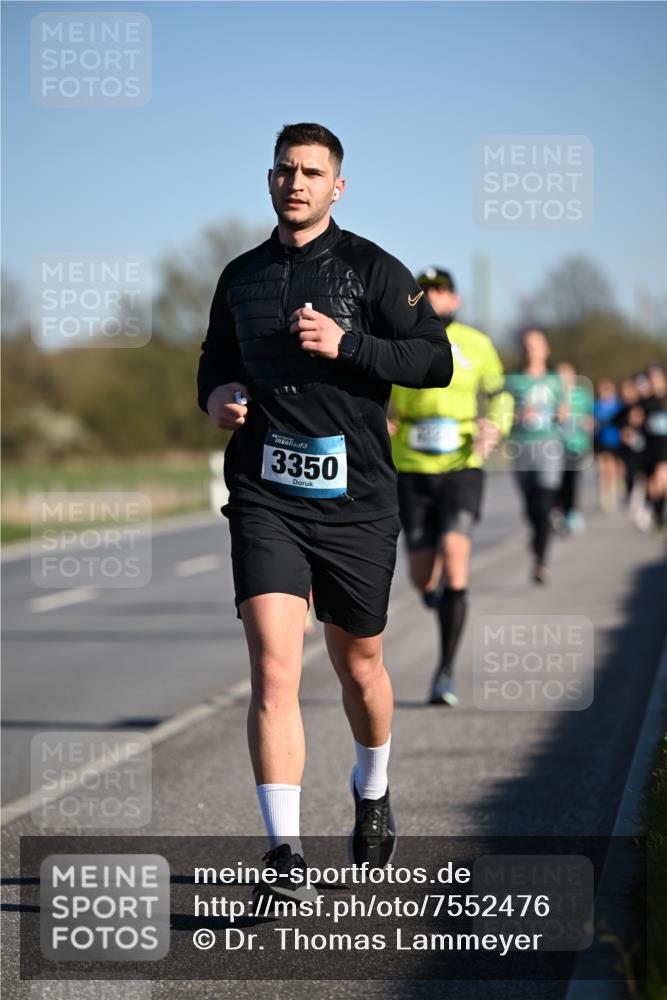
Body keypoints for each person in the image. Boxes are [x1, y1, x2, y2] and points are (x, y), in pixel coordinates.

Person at [197, 123, 453, 900]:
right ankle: (283, 857)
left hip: (356, 503)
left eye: (311, 171)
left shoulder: (372, 269)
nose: (295, 182)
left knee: (359, 665)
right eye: (284, 169)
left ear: (336, 186)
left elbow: (433, 360)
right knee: (273, 672)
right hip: (265, 497)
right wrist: (216, 395)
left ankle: (371, 789)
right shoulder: (239, 276)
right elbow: (214, 354)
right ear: (268, 180)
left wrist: (350, 346)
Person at [390, 268, 512, 706]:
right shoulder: (400, 339)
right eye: (424, 291)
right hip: (412, 464)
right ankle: (434, 595)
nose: (432, 297)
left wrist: (495, 428)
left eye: (440, 290)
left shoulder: (477, 344)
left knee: (457, 561)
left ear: (454, 299)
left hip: (462, 462)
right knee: (422, 577)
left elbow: (500, 395)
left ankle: (444, 673)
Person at [505, 328, 563, 584]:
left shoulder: (556, 381)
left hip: (548, 446)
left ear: (546, 349)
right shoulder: (513, 381)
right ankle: (537, 537)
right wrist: (517, 416)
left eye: (536, 345)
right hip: (521, 447)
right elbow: (502, 412)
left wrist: (562, 413)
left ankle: (542, 563)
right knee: (530, 508)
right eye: (527, 346)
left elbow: (566, 411)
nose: (531, 351)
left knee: (543, 502)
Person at [554, 362, 594, 534]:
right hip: (555, 445)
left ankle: (571, 512)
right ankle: (558, 511)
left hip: (576, 444)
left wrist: (587, 422)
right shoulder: (552, 395)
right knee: (555, 481)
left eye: (566, 375)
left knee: (571, 480)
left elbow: (591, 416)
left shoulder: (583, 395)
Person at [593, 377, 623, 512]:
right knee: (604, 468)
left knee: (614, 469)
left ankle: (614, 490)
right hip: (601, 441)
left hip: (616, 441)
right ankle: (605, 495)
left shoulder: (619, 405)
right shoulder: (596, 405)